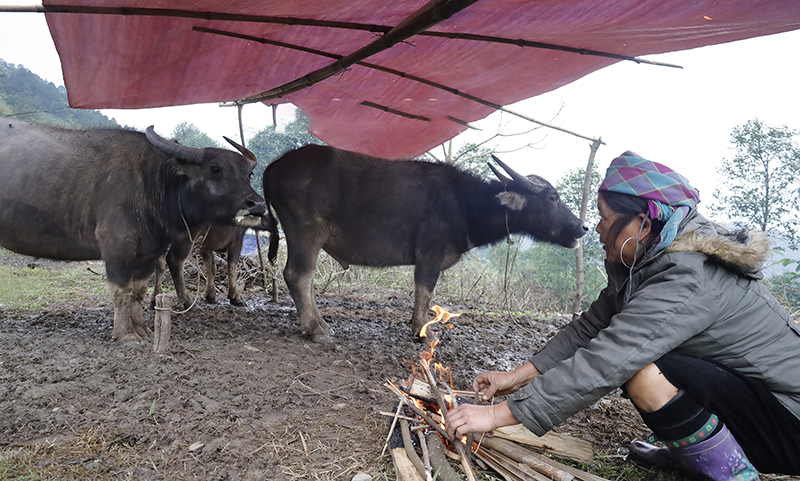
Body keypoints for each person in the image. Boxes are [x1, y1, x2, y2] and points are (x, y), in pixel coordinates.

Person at [445, 151, 800, 480]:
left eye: (604, 217)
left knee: (644, 372)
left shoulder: (688, 275)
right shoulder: (652, 261)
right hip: (759, 401)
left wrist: (495, 415)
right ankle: (692, 452)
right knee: (650, 361)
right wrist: (514, 377)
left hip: (791, 423)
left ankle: (737, 473)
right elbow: (591, 327)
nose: (596, 228)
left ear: (643, 224)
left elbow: (607, 358)